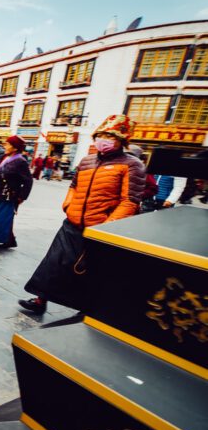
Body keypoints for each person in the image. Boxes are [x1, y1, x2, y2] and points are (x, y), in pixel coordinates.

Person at [19, 115, 144, 315]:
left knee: (90, 270)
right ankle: (40, 298)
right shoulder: (87, 161)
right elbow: (74, 186)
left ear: (121, 140)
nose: (104, 140)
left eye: (110, 136)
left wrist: (108, 226)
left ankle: (88, 308)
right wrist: (68, 205)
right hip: (72, 223)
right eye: (101, 135)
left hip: (99, 228)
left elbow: (130, 200)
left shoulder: (132, 164)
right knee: (54, 262)